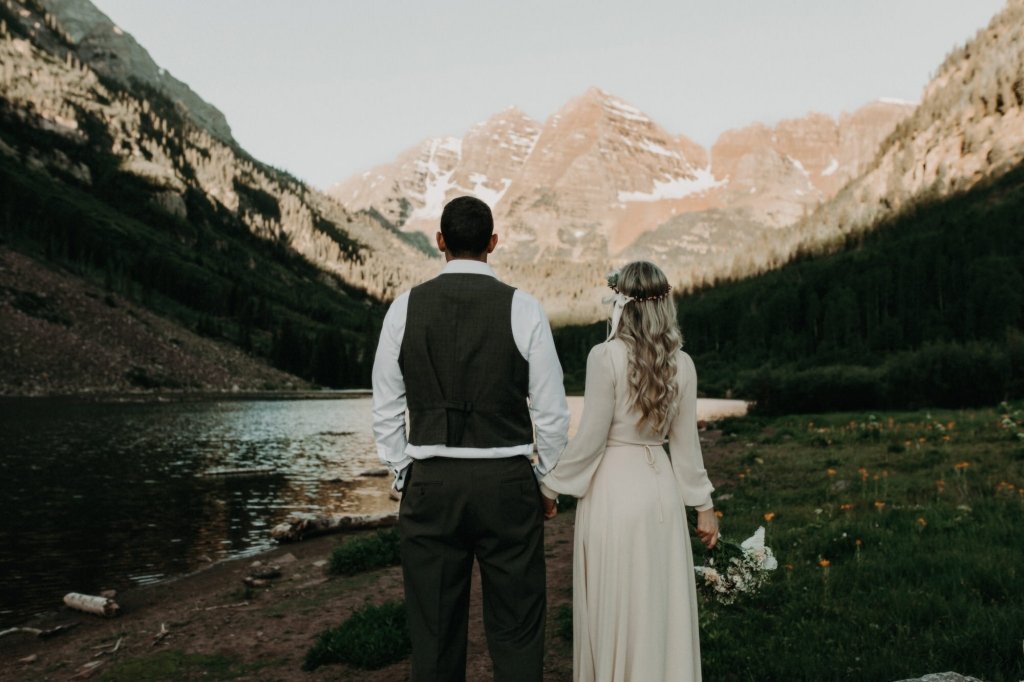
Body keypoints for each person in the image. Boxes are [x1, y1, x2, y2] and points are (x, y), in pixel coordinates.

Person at [372, 195, 570, 682]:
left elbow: (386, 407)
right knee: (518, 629)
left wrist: (403, 472)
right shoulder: (524, 308)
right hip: (506, 483)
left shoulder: (404, 308)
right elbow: (551, 413)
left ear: (440, 241)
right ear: (493, 242)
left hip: (431, 484)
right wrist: (546, 482)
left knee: (434, 634)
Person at [540, 260, 718, 682]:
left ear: (621, 303)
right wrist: (704, 506)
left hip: (613, 494)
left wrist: (550, 486)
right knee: (659, 605)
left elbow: (590, 439)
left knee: (617, 601)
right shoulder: (683, 364)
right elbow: (686, 447)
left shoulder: (605, 357)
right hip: (660, 495)